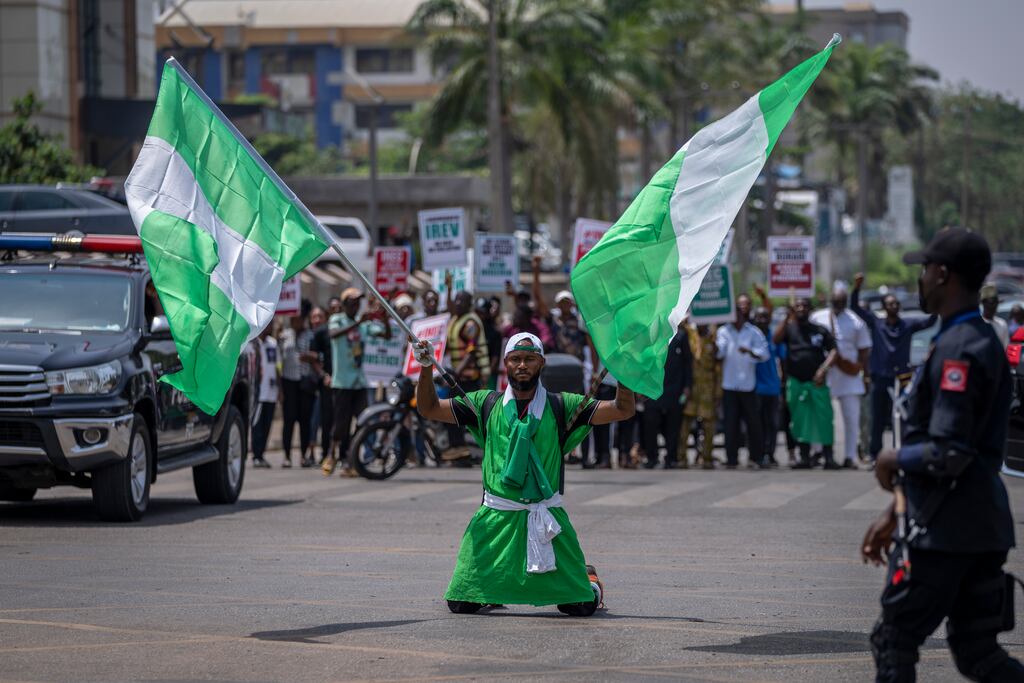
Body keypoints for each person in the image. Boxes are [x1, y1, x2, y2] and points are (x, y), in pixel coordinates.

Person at [862, 227, 1023, 682]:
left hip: (950, 533)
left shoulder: (961, 348)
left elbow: (949, 451)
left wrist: (893, 459)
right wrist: (895, 513)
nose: (921, 279)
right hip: (971, 525)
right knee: (978, 654)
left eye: (925, 269)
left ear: (943, 275)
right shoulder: (966, 338)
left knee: (893, 640)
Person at [414, 332, 635, 615]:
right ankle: (493, 588)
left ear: (542, 364)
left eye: (530, 359)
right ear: (505, 363)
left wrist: (626, 372)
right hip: (494, 520)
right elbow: (428, 408)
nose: (522, 365)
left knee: (579, 606)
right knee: (461, 603)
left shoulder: (563, 406)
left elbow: (622, 410)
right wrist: (425, 368)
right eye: (516, 359)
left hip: (545, 518)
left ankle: (588, 578)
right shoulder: (484, 404)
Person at [850, 274, 937, 461]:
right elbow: (856, 308)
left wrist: (932, 296)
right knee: (877, 419)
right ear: (884, 307)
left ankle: (902, 451)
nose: (894, 306)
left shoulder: (908, 324)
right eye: (890, 304)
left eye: (896, 304)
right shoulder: (877, 323)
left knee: (903, 417)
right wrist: (856, 289)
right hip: (880, 378)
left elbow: (931, 320)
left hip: (903, 378)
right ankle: (875, 455)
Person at [322, 288, 391, 478]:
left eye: (357, 303)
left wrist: (383, 317)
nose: (355, 307)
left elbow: (386, 335)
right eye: (351, 303)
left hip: (359, 382)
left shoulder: (363, 325)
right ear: (344, 305)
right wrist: (358, 323)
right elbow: (333, 334)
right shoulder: (338, 320)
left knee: (362, 421)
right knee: (340, 424)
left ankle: (350, 459)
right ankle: (332, 454)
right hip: (342, 382)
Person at [811, 282, 872, 468]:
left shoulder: (856, 322)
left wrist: (866, 375)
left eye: (841, 301)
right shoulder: (817, 317)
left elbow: (864, 350)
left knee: (852, 417)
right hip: (824, 372)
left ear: (846, 302)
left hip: (848, 374)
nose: (837, 304)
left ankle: (850, 456)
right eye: (835, 301)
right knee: (819, 415)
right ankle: (817, 452)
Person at [775, 298, 839, 469]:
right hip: (796, 382)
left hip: (817, 383)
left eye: (804, 306)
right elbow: (775, 340)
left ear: (810, 309)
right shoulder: (789, 329)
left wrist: (823, 369)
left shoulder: (819, 330)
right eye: (797, 306)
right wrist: (786, 317)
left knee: (824, 419)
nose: (801, 308)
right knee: (800, 420)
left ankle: (828, 457)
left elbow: (833, 350)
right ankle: (804, 457)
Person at [716, 294, 769, 468]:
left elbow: (764, 354)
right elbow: (719, 354)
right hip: (730, 385)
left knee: (753, 424)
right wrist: (716, 345)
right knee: (730, 424)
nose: (735, 318)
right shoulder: (723, 331)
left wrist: (750, 351)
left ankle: (756, 457)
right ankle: (731, 459)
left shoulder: (753, 332)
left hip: (747, 385)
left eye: (738, 314)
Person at [443, 291, 491, 461]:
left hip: (468, 377)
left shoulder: (470, 323)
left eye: (461, 301)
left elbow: (471, 352)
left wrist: (456, 372)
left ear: (469, 304)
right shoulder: (455, 321)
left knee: (467, 414)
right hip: (458, 377)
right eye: (456, 300)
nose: (457, 303)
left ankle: (467, 448)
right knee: (451, 412)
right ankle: (456, 447)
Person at [642, 327, 692, 468]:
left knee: (673, 426)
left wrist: (687, 386)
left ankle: (671, 457)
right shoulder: (650, 333)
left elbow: (688, 362)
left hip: (675, 388)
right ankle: (652, 458)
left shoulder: (681, 335)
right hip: (653, 389)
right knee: (651, 424)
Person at [679, 323, 722, 469]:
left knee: (709, 425)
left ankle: (707, 458)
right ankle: (681, 458)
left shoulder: (713, 339)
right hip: (691, 388)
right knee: (685, 424)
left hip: (707, 389)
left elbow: (718, 369)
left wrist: (717, 393)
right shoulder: (689, 335)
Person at [279, 313, 316, 468]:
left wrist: (310, 356)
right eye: (294, 319)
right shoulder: (284, 336)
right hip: (288, 382)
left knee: (305, 421)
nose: (296, 322)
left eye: (300, 319)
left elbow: (318, 354)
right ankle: (287, 456)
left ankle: (303, 455)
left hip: (305, 381)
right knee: (288, 420)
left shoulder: (311, 335)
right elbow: (278, 359)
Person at [752, 285, 783, 467]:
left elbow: (782, 360)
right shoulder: (750, 334)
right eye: (759, 317)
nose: (762, 320)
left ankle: (770, 453)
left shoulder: (774, 337)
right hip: (755, 387)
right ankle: (758, 453)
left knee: (772, 424)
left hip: (772, 387)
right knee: (758, 424)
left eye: (766, 317)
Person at [305, 305, 335, 464]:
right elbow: (312, 359)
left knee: (327, 420)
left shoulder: (331, 333)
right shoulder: (314, 335)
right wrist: (323, 375)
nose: (317, 320)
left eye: (320, 317)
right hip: (311, 386)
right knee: (314, 421)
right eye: (314, 317)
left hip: (329, 384)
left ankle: (330, 453)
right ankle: (313, 453)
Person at [251, 325, 279, 468]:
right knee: (258, 426)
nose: (269, 326)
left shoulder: (273, 343)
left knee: (267, 426)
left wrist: (281, 390)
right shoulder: (253, 343)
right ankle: (256, 455)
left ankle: (261, 455)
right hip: (259, 393)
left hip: (272, 392)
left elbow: (278, 366)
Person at [475, 296, 503, 391]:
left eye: (481, 313)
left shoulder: (495, 332)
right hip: (472, 375)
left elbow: (495, 357)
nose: (479, 316)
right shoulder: (472, 330)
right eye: (477, 312)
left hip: (487, 376)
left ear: (487, 313)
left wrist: (487, 375)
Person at [980, 283, 1009, 348]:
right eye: (991, 303)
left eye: (996, 303)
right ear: (984, 303)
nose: (994, 306)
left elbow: (1005, 347)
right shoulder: (978, 324)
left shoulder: (1002, 324)